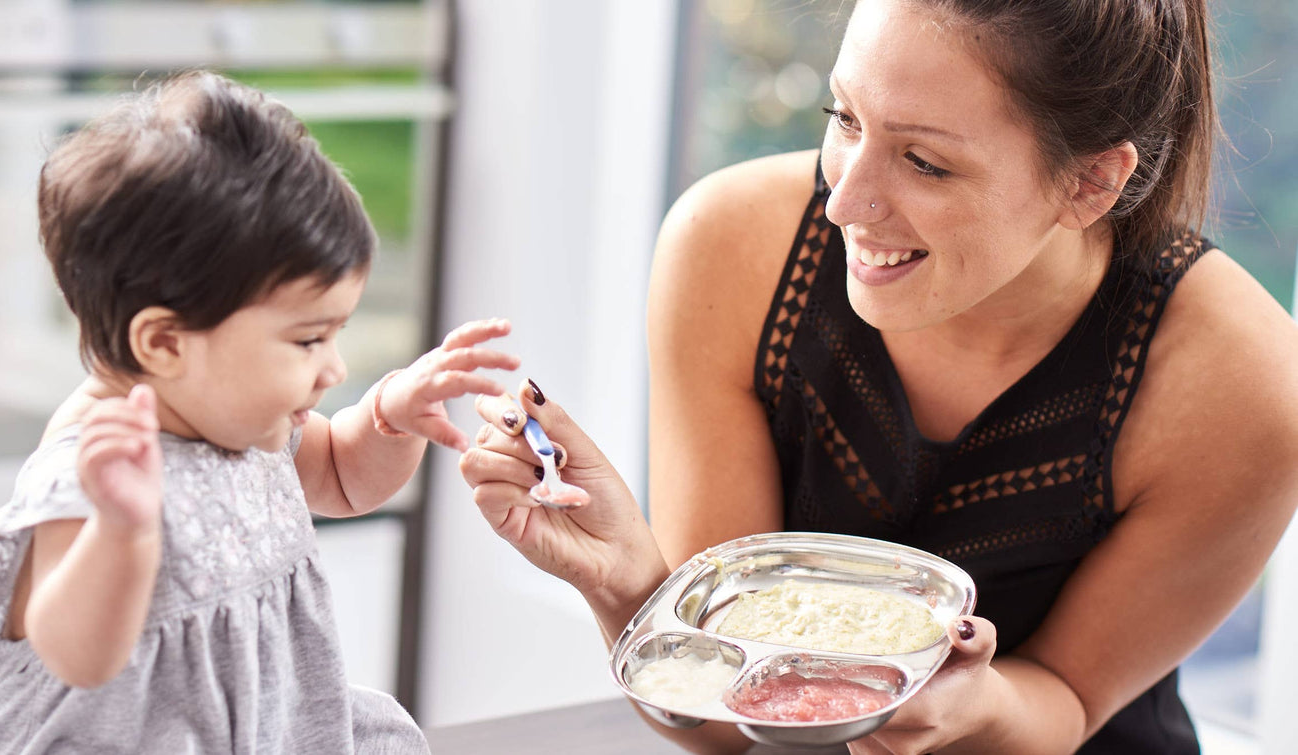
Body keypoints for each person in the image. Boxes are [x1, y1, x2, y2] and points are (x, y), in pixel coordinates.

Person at [460, 0, 1298, 752]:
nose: (841, 201)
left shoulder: (1245, 386)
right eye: (844, 117)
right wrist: (629, 583)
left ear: (1089, 182)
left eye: (924, 163)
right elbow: (719, 724)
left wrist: (976, 707)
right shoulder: (727, 249)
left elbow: (1069, 704)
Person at [0, 71, 517, 754]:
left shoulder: (244, 422)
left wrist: (389, 418)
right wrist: (124, 532)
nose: (332, 369)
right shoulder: (92, 470)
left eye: (335, 335)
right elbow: (75, 653)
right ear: (163, 342)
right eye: (308, 340)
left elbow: (343, 477)